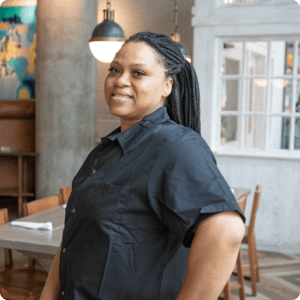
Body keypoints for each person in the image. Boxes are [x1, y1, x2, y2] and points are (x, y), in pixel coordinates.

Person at [40, 32, 245, 300]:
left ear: (167, 86)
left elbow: (225, 230)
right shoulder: (104, 151)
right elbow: (74, 240)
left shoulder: (176, 145)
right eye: (115, 69)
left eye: (138, 73)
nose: (120, 81)